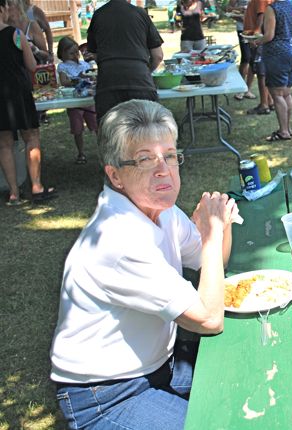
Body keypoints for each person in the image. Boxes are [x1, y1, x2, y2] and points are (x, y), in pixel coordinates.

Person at [50, 99, 239, 429]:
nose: (163, 169)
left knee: (246, 379)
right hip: (107, 396)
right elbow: (209, 319)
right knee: (220, 423)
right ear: (116, 175)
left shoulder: (160, 209)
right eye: (144, 160)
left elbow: (213, 264)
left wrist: (218, 226)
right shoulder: (119, 239)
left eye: (169, 155)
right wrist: (211, 235)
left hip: (159, 366)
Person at [0, 0, 56, 205]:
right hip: (19, 92)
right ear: (2, 9)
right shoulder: (16, 34)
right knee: (31, 137)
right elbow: (32, 67)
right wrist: (31, 51)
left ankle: (14, 193)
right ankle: (36, 186)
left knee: (4, 144)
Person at [87, 0, 164, 122]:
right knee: (146, 132)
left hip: (108, 82)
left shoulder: (98, 15)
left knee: (110, 133)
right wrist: (146, 71)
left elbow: (95, 54)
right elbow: (158, 55)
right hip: (140, 80)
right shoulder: (140, 14)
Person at [258, 0, 292, 141]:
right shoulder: (291, 5)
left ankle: (283, 131)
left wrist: (256, 41)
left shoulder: (272, 8)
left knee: (277, 95)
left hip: (278, 54)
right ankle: (287, 128)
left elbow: (269, 35)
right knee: (286, 93)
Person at [56, 36, 98, 165]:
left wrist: (92, 77)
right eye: (71, 53)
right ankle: (81, 152)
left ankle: (103, 149)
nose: (75, 55)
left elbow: (93, 78)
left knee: (96, 125)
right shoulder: (63, 66)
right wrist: (77, 78)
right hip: (74, 102)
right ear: (62, 54)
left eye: (76, 52)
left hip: (88, 99)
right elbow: (64, 82)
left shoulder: (85, 64)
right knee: (77, 129)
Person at [243, 0, 272, 115]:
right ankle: (270, 101)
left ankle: (264, 105)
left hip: (258, 39)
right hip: (257, 37)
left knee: (261, 73)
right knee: (262, 71)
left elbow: (261, 14)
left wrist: (256, 33)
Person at [227, 0, 256, 100]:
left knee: (253, 58)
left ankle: (248, 89)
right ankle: (240, 89)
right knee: (246, 57)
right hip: (242, 28)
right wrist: (240, 12)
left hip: (256, 29)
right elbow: (229, 9)